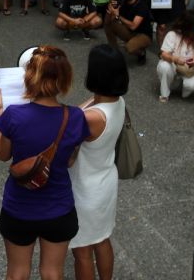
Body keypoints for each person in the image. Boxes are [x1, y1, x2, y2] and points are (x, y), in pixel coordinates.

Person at [0, 46, 90, 280]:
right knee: (52, 273)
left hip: (19, 207)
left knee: (17, 273)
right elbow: (71, 160)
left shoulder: (12, 115)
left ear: (30, 77)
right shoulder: (75, 117)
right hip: (59, 207)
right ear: (64, 78)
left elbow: (3, 154)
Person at [70, 44, 128, 280]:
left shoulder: (91, 117)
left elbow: (69, 157)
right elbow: (81, 108)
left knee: (82, 252)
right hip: (105, 182)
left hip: (85, 190)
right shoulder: (117, 102)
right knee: (102, 240)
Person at [156, 12, 194, 102]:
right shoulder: (172, 34)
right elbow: (164, 54)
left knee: (193, 85)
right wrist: (175, 59)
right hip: (173, 66)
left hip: (190, 69)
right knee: (164, 66)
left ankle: (182, 86)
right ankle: (165, 94)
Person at [104, 0, 152, 64]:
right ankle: (114, 54)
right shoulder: (123, 3)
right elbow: (108, 22)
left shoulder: (142, 5)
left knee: (129, 48)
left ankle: (141, 53)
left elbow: (134, 26)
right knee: (109, 25)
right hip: (130, 31)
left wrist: (118, 15)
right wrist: (110, 10)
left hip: (144, 35)